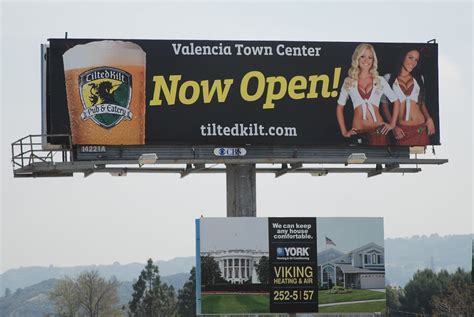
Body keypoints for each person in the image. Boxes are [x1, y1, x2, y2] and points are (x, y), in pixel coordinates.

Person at [336, 43, 400, 145]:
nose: (366, 61)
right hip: (358, 132)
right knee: (358, 160)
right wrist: (344, 132)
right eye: (362, 56)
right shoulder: (349, 81)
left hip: (379, 131)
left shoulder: (380, 80)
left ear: (373, 60)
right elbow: (339, 108)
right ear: (357, 58)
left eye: (370, 57)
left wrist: (392, 124)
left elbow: (396, 101)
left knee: (381, 160)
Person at [382, 47, 435, 145]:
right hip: (402, 131)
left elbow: (421, 103)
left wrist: (429, 118)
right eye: (410, 57)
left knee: (418, 159)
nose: (413, 62)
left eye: (416, 60)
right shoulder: (388, 78)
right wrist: (393, 127)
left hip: (421, 129)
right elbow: (384, 107)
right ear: (402, 57)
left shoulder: (419, 78)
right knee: (400, 159)